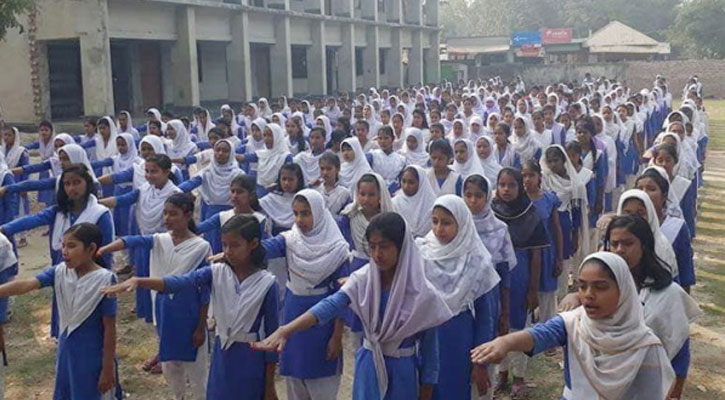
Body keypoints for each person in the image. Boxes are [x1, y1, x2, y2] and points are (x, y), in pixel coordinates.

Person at [253, 212, 453, 400]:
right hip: (369, 366)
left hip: (402, 373)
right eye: (372, 247)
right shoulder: (364, 279)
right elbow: (330, 305)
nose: (377, 254)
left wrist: (425, 393)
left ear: (401, 247)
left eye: (384, 247)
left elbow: (430, 354)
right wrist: (286, 330)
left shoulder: (421, 293)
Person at [102, 215, 280, 399]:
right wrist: (139, 281)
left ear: (253, 244)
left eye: (235, 245)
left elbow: (272, 337)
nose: (228, 251)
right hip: (222, 355)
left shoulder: (267, 284)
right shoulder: (216, 272)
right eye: (224, 245)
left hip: (250, 359)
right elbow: (180, 282)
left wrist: (269, 385)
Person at [471, 252, 676, 400]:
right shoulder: (573, 323)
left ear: (623, 291)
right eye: (582, 286)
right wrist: (505, 343)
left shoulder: (645, 346)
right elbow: (540, 334)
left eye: (600, 287)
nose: (588, 295)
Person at [561, 215, 701, 399]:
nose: (619, 250)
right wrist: (574, 296)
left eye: (628, 243)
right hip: (595, 386)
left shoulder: (669, 294)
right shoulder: (597, 291)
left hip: (644, 385)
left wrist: (675, 391)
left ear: (644, 245)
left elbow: (679, 346)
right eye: (614, 244)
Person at [97, 194, 210, 400]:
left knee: (196, 368)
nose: (167, 218)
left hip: (190, 313)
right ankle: (178, 396)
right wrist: (104, 249)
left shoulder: (201, 247)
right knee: (170, 365)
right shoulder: (160, 240)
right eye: (165, 213)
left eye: (173, 214)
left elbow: (204, 291)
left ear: (188, 215)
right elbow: (132, 241)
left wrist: (201, 326)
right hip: (165, 310)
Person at [0, 223, 121, 400]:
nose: (64, 251)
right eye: (63, 245)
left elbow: (109, 327)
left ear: (91, 249)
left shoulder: (105, 279)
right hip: (67, 351)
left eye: (71, 246)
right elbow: (27, 284)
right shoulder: (59, 272)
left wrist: (108, 367)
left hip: (92, 355)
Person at [261, 189, 348, 399]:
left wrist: (337, 337)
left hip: (322, 321)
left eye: (306, 213)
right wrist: (240, 249)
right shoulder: (290, 240)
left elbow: (342, 299)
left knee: (322, 380)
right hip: (292, 312)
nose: (300, 220)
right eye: (296, 213)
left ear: (318, 213)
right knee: (295, 378)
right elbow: (264, 249)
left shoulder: (337, 250)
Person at [417, 195, 500, 400]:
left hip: (457, 337)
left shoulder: (477, 260)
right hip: (423, 333)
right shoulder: (420, 252)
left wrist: (480, 363)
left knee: (453, 390)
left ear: (462, 223)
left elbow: (485, 316)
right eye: (435, 221)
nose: (439, 229)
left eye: (446, 223)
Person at [98, 154, 181, 328]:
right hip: (145, 244)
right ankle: (150, 314)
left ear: (166, 172)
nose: (149, 175)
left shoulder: (175, 195)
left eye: (154, 171)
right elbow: (123, 200)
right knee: (144, 278)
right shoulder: (144, 189)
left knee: (160, 283)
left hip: (165, 246)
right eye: (147, 171)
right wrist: (96, 203)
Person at [491, 168, 548, 398]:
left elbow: (536, 255)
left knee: (519, 324)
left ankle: (519, 376)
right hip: (494, 276)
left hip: (520, 275)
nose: (506, 190)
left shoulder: (530, 213)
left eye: (512, 185)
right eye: (502, 185)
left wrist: (533, 289)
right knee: (497, 323)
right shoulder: (490, 212)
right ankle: (501, 372)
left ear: (520, 187)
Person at [521, 160, 564, 324]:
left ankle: (550, 330)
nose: (527, 179)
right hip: (525, 254)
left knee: (547, 296)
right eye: (524, 176)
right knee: (526, 294)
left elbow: (556, 229)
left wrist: (559, 257)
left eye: (531, 175)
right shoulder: (518, 200)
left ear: (539, 176)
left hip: (546, 253)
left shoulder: (548, 199)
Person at [197, 175, 270, 254]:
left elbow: (263, 247)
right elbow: (197, 229)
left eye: (240, 192)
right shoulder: (223, 216)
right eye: (232, 191)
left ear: (251, 195)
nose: (235, 196)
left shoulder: (260, 220)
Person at [178, 139, 244, 222]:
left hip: (231, 214)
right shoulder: (207, 172)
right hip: (210, 211)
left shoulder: (238, 174)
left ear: (231, 154)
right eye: (217, 150)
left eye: (225, 151)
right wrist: (173, 190)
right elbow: (191, 183)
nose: (220, 153)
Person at [392, 165, 436, 238]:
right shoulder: (395, 203)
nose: (406, 186)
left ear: (421, 183)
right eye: (403, 181)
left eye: (411, 182)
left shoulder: (432, 204)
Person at [369, 126, 406, 194]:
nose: (383, 141)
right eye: (380, 138)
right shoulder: (372, 156)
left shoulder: (401, 159)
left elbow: (401, 180)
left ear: (393, 139)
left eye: (386, 138)